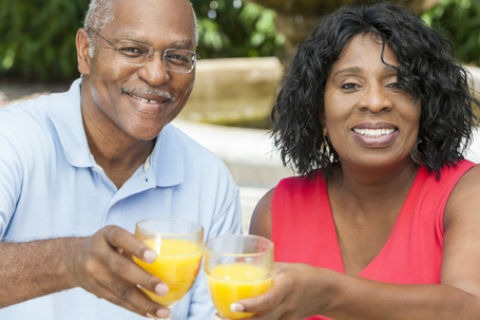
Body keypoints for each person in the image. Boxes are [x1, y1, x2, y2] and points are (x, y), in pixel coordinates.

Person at [0, 0, 242, 319]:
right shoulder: (14, 140)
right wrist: (69, 262)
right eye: (132, 50)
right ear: (85, 51)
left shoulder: (210, 181)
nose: (156, 74)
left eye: (178, 57)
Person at [240, 2, 480, 319]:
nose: (376, 101)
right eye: (350, 85)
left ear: (426, 103)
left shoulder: (466, 193)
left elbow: (471, 307)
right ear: (319, 111)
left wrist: (328, 293)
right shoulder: (276, 211)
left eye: (397, 84)